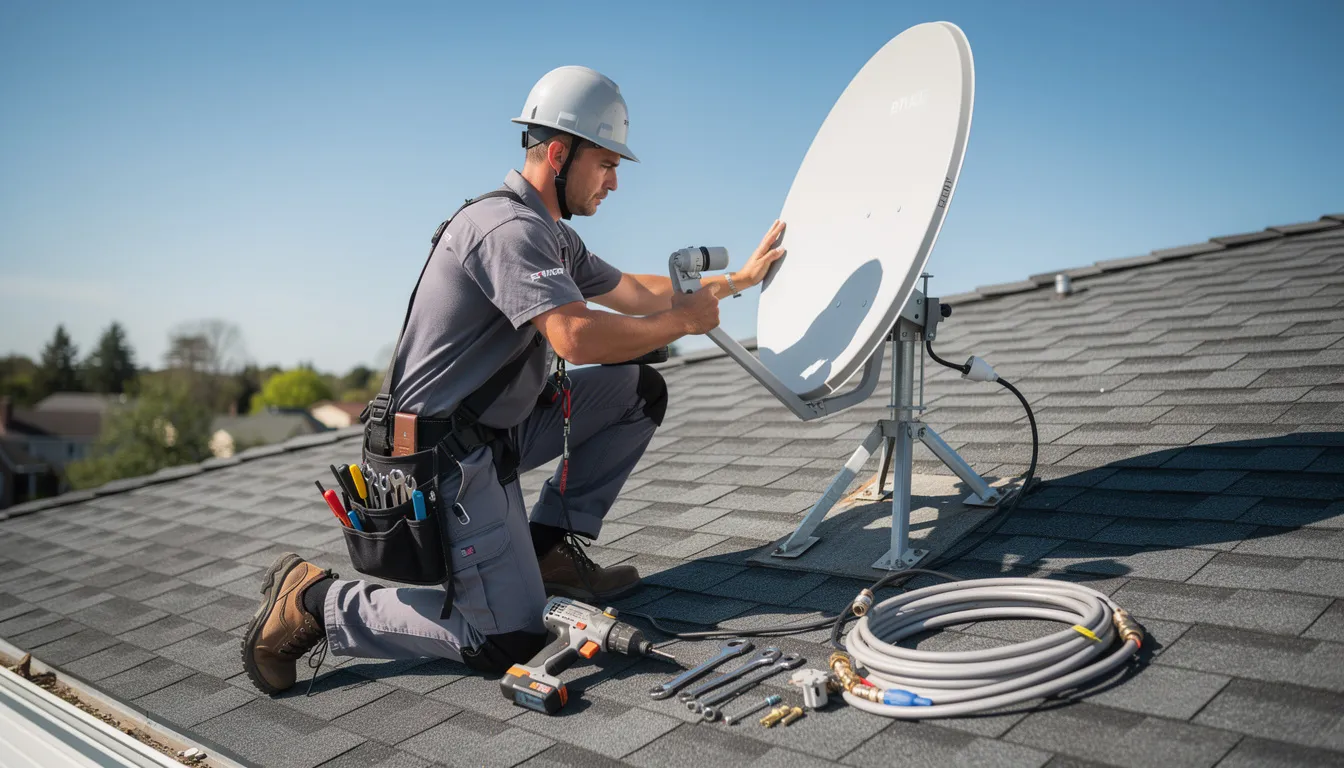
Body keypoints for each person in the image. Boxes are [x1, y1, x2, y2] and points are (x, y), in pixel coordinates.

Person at [240, 65, 786, 694]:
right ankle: (317, 603)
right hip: (441, 461)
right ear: (559, 154)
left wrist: (734, 282)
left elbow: (634, 292)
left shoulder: (550, 233)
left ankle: (547, 547)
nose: (613, 182)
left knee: (637, 390)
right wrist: (683, 323)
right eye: (606, 163)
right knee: (509, 639)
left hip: (494, 434)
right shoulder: (509, 231)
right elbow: (574, 336)